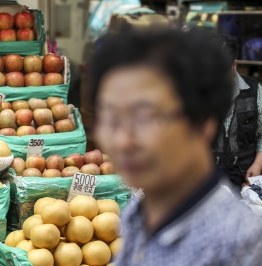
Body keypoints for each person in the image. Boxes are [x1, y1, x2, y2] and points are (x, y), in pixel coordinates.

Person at [90, 29, 262, 265]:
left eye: (145, 118)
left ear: (203, 122)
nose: (122, 141)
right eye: (111, 119)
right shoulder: (136, 215)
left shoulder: (239, 245)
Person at [214, 34, 262, 188]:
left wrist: (258, 164)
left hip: (245, 173)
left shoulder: (255, 91)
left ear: (234, 65)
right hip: (209, 175)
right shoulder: (196, 93)